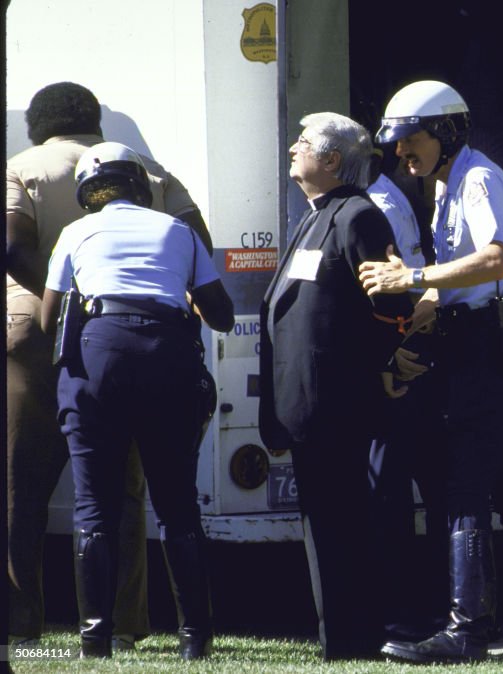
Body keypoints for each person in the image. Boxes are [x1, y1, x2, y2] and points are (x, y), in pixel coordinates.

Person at [359, 80, 503, 663]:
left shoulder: (474, 178)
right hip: (490, 342)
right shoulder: (452, 182)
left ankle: (467, 630)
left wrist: (413, 279)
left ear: (446, 132)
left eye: (411, 139)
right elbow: (469, 279)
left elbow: (497, 259)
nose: (402, 153)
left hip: (490, 348)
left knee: (465, 488)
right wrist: (425, 306)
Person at [6, 81, 213, 651]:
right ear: (96, 121)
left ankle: (20, 624)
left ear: (38, 124)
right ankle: (123, 624)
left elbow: (11, 248)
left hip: (40, 328)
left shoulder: (20, 167)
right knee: (125, 489)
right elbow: (200, 247)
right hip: (142, 344)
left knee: (22, 485)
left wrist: (74, 295)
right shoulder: (151, 170)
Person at [39, 142, 234, 658]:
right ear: (141, 185)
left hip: (98, 357)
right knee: (177, 507)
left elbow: (46, 319)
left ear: (89, 192)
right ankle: (196, 640)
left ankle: (95, 640)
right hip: (168, 358)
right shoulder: (177, 231)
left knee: (93, 507)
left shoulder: (74, 233)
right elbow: (222, 316)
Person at [258, 113, 413, 660]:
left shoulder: (357, 217)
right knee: (323, 525)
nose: (293, 149)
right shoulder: (316, 215)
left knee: (341, 525)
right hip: (306, 406)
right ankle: (340, 641)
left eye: (303, 143)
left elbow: (393, 308)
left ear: (330, 161)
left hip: (337, 404)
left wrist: (379, 371)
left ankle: (353, 643)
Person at [365, 147, 449, 637]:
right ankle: (421, 607)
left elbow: (407, 289)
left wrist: (397, 353)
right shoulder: (383, 202)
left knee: (402, 489)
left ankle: (417, 609)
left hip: (410, 362)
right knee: (412, 489)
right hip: (409, 360)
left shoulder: (384, 202)